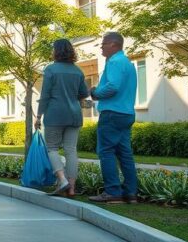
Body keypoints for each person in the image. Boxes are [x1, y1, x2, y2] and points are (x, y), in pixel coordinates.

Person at [88, 32, 138, 204]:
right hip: (127, 113)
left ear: (113, 45)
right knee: (125, 154)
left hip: (112, 114)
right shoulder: (128, 63)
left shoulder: (114, 62)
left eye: (103, 44)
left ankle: (113, 192)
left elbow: (113, 87)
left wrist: (95, 93)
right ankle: (131, 193)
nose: (101, 47)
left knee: (106, 151)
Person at [35, 39, 89, 196]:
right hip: (74, 115)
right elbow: (83, 96)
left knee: (52, 148)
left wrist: (38, 116)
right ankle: (71, 188)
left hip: (54, 115)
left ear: (56, 51)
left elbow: (45, 95)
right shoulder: (78, 71)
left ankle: (62, 179)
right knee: (71, 150)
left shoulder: (50, 69)